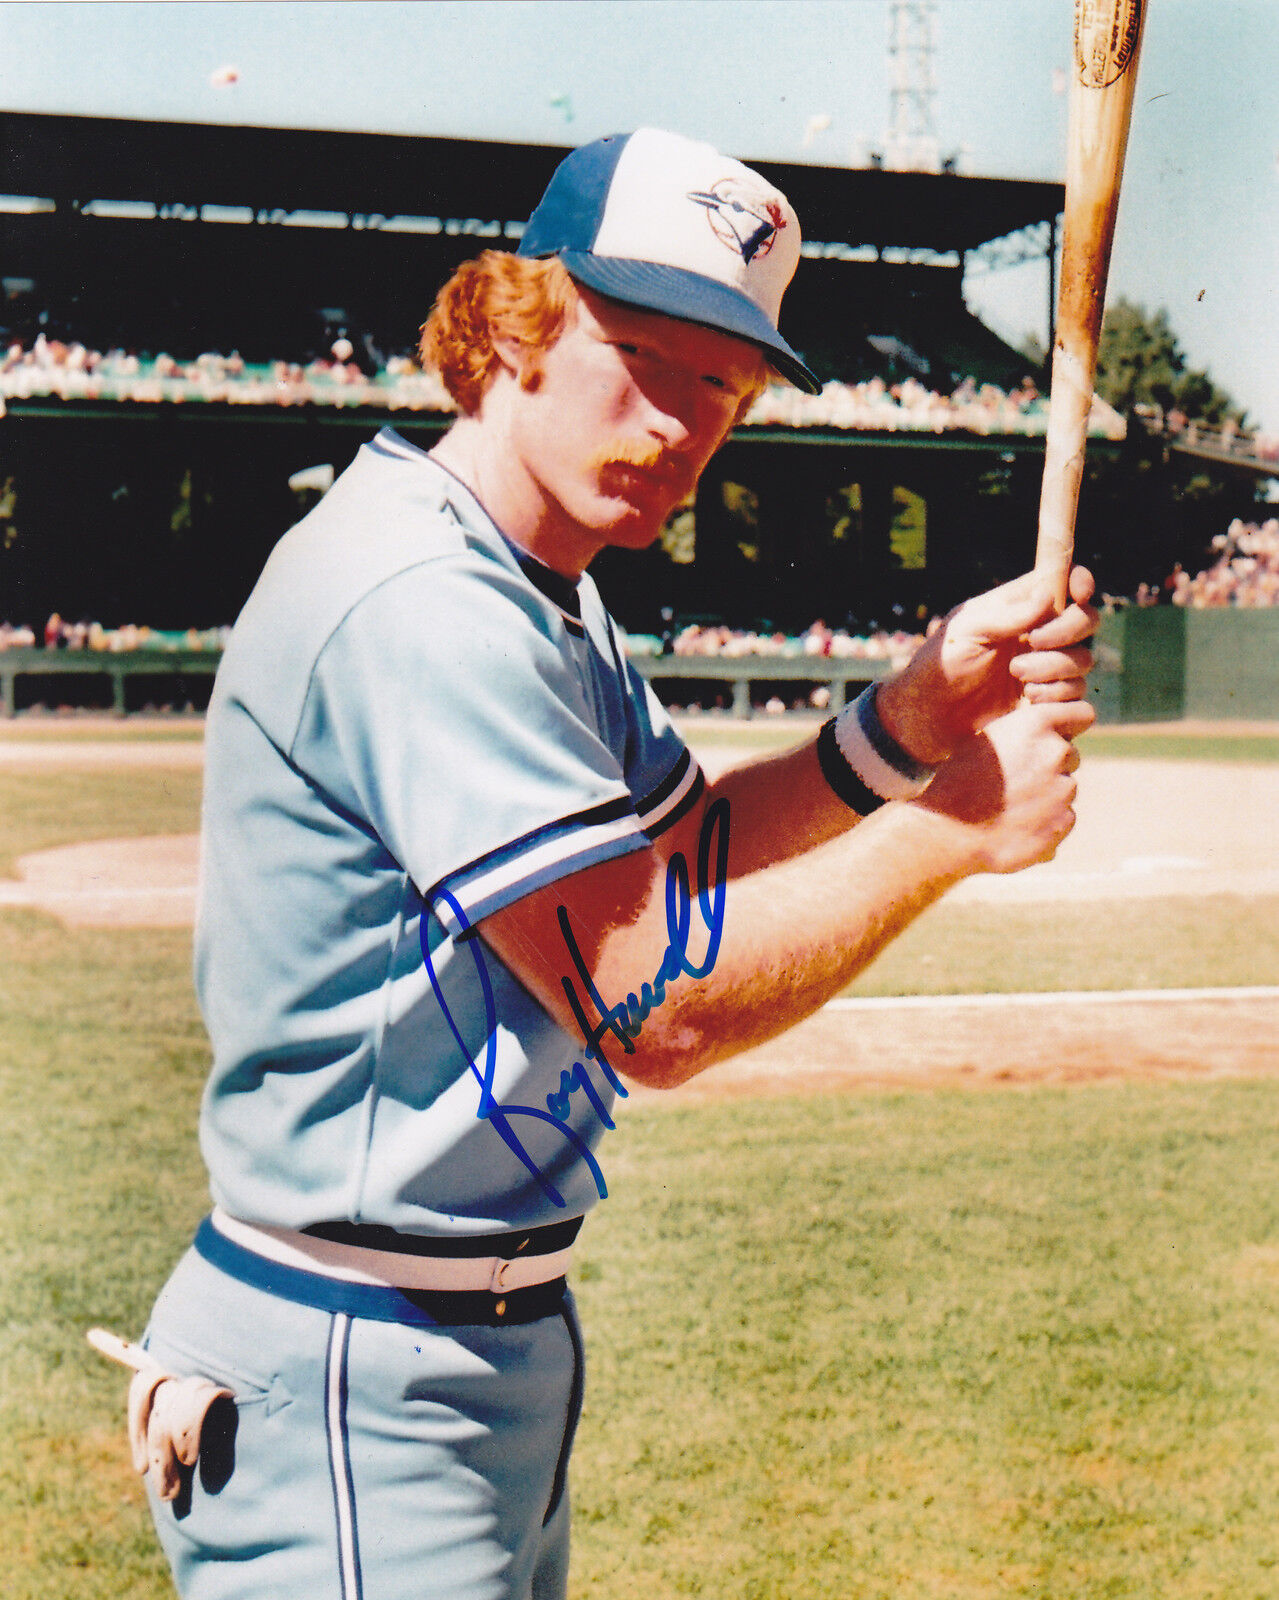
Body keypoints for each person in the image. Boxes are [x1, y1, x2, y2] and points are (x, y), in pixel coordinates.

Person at [125, 128, 1097, 1600]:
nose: (683, 422)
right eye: (641, 354)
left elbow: (682, 853)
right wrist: (951, 826)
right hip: (354, 1359)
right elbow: (656, 1002)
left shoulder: (539, 588)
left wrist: (907, 720)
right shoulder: (420, 600)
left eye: (725, 384)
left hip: (460, 1344)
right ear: (513, 325)